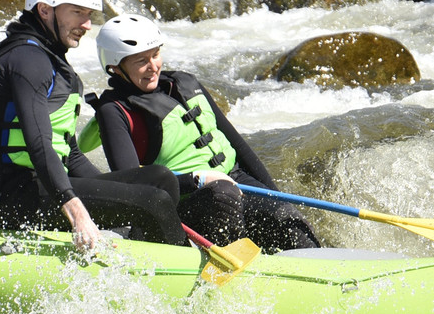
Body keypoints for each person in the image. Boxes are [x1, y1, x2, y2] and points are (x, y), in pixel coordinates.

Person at [0, 0, 186, 251]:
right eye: (77, 12)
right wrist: (75, 208)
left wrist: (116, 194)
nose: (87, 25)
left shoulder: (50, 58)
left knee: (158, 179)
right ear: (44, 9)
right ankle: (181, 280)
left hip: (43, 185)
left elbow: (69, 151)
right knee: (153, 201)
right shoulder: (27, 60)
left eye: (88, 15)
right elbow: (39, 145)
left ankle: (140, 256)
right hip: (13, 197)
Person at [84, 13, 320, 254]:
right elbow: (133, 186)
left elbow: (238, 144)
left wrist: (277, 196)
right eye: (140, 61)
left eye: (155, 55)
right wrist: (196, 179)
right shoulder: (114, 111)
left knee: (288, 221)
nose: (153, 66)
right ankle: (233, 268)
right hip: (185, 201)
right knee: (223, 195)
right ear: (115, 66)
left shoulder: (186, 83)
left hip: (235, 179)